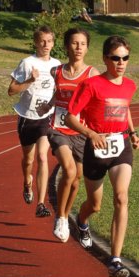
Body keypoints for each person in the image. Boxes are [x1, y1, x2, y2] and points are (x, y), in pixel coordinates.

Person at [65, 35, 139, 277]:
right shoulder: (91, 85)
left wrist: (133, 134)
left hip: (121, 146)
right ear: (105, 59)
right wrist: (90, 133)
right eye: (116, 58)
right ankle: (82, 220)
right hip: (96, 148)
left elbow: (125, 108)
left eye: (125, 58)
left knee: (121, 197)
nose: (121, 63)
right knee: (95, 205)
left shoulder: (130, 85)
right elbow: (70, 117)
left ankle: (115, 260)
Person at [41, 28, 99, 242]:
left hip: (81, 131)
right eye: (74, 43)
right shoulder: (56, 71)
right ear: (67, 46)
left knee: (76, 180)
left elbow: (97, 100)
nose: (78, 48)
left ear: (87, 48)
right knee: (69, 169)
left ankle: (65, 214)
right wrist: (47, 106)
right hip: (58, 128)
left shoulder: (92, 74)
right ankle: (61, 217)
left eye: (83, 44)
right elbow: (57, 94)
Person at [8, 26, 61, 217]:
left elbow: (58, 91)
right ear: (36, 43)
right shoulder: (27, 63)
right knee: (28, 160)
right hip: (27, 118)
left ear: (53, 43)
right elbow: (11, 90)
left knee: (42, 156)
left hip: (45, 118)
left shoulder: (57, 65)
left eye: (49, 41)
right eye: (42, 41)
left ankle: (40, 204)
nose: (46, 45)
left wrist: (51, 106)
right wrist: (30, 80)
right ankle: (26, 181)